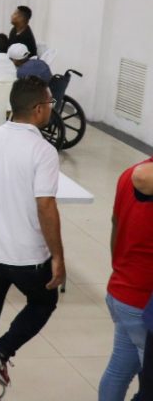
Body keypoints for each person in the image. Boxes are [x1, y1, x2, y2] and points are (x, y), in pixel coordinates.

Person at [0, 77, 64, 401]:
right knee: (44, 301)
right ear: (37, 109)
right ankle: (2, 350)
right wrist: (58, 256)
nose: (52, 108)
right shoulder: (43, 151)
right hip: (27, 260)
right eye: (50, 104)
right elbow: (45, 205)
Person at [99, 158, 153, 400]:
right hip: (142, 299)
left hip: (121, 290)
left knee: (119, 370)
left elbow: (116, 224)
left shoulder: (128, 172)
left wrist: (118, 267)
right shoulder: (143, 178)